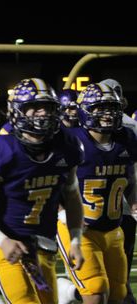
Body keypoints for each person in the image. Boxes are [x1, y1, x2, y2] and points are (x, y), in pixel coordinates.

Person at [0, 78, 85, 303]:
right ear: (18, 111)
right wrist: (2, 241)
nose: (43, 113)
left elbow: (72, 198)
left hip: (45, 244)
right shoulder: (1, 149)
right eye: (35, 107)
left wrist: (76, 242)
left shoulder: (67, 145)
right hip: (10, 243)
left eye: (48, 107)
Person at [57, 83, 137, 304]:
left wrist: (133, 201)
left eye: (112, 108)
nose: (108, 114)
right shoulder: (71, 140)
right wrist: (63, 213)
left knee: (118, 294)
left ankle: (66, 293)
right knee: (96, 290)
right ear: (85, 110)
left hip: (113, 229)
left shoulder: (127, 139)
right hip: (79, 229)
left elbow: (130, 177)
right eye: (100, 108)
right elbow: (46, 181)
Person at [100, 78, 137, 304]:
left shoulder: (128, 129)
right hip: (122, 204)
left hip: (104, 205)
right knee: (118, 264)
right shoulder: (130, 125)